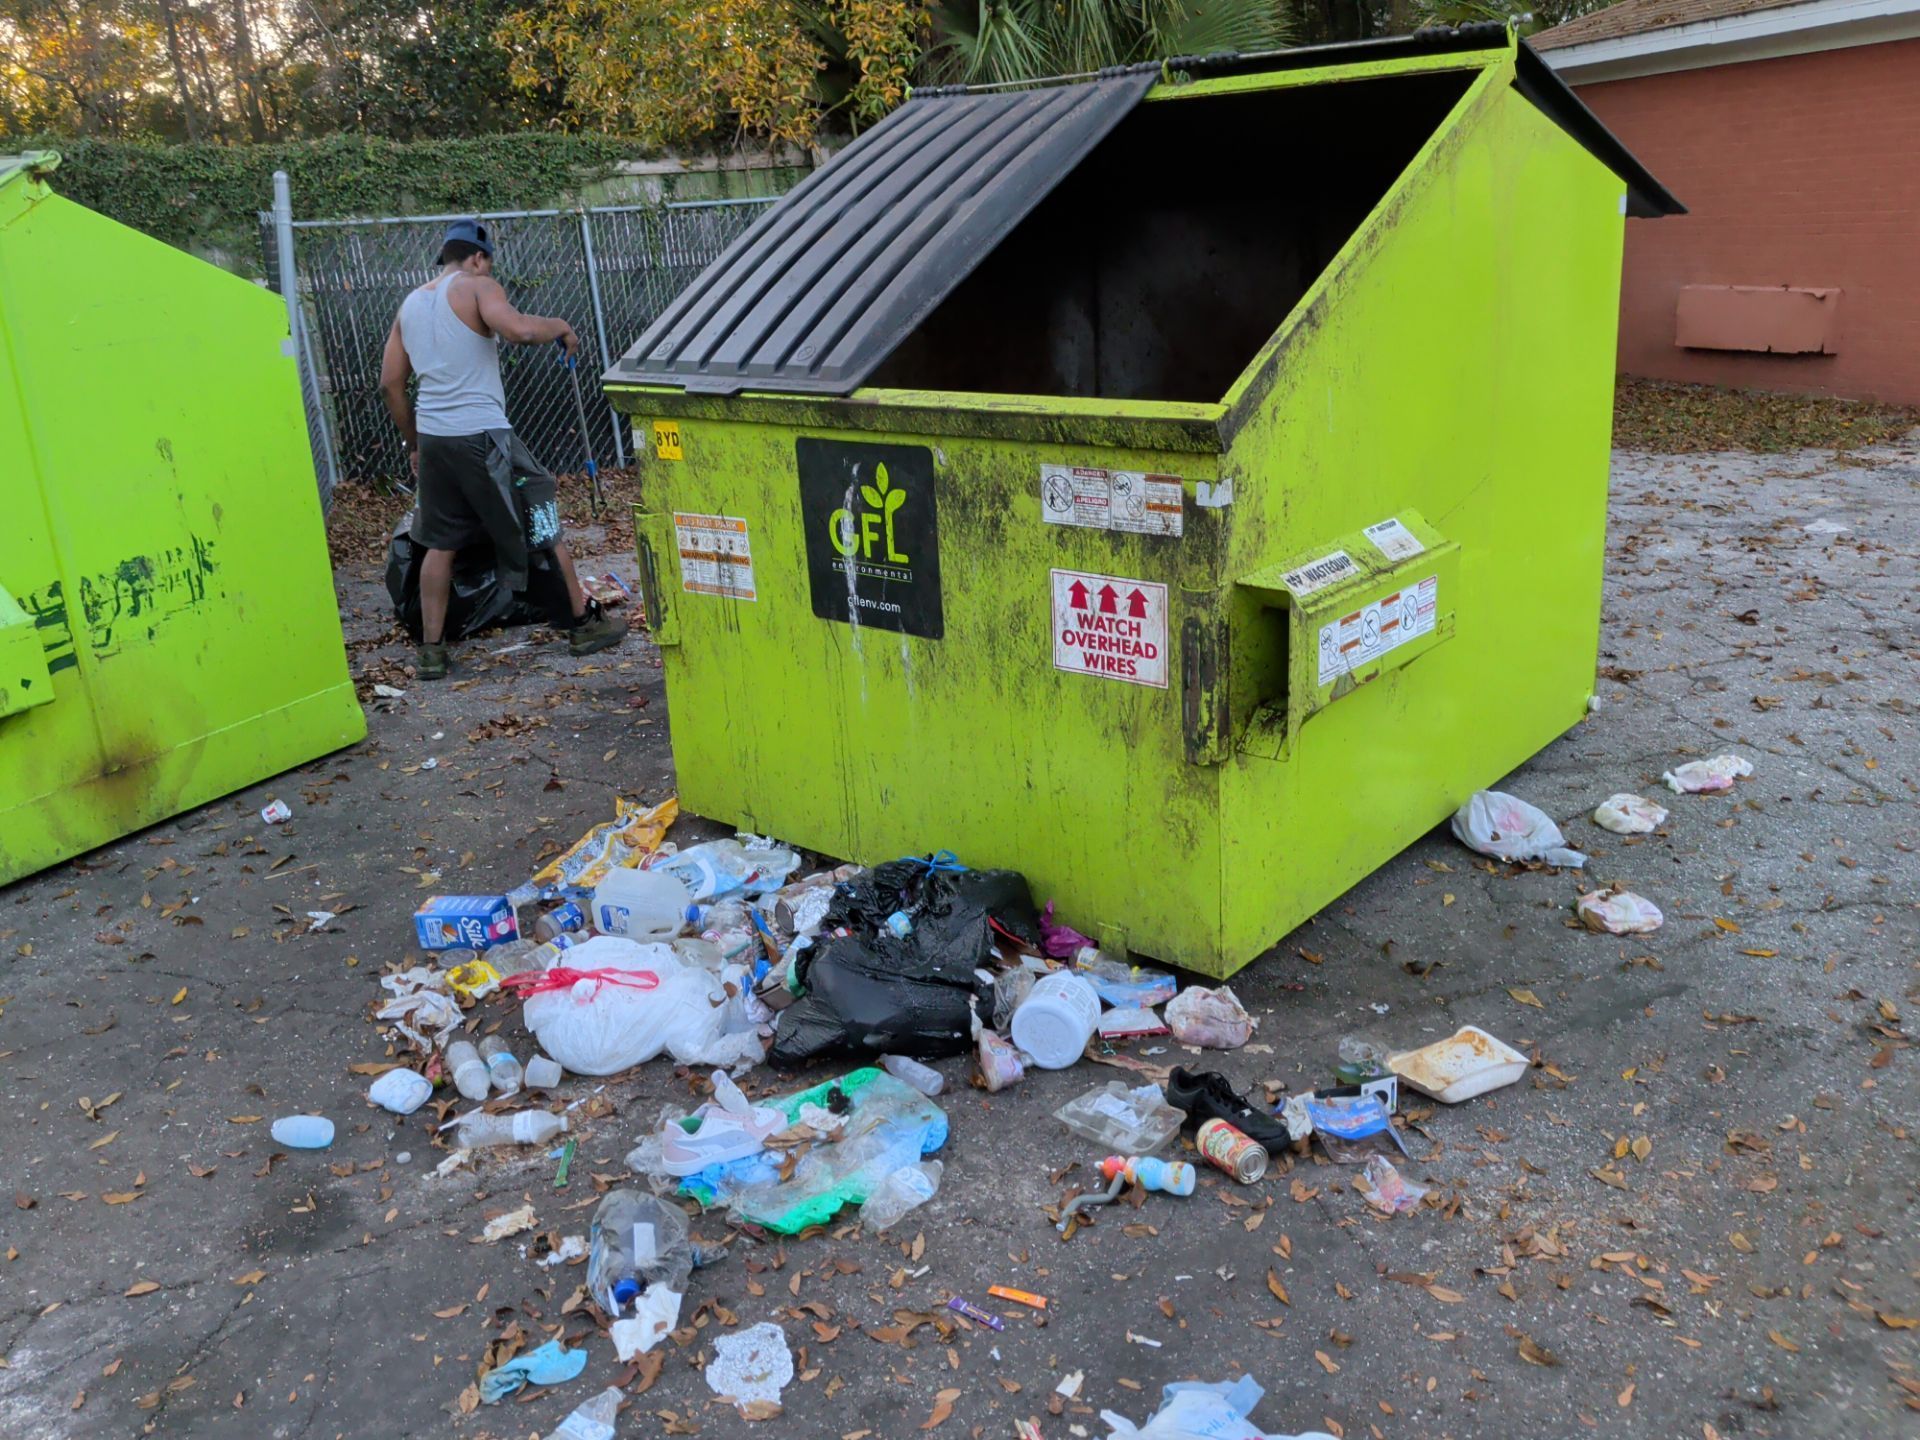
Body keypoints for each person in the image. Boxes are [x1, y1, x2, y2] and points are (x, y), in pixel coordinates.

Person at [379, 219, 625, 679]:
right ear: (477, 257)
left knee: (439, 541)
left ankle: (432, 652)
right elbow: (517, 331)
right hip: (483, 434)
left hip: (435, 440)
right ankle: (582, 624)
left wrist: (415, 443)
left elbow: (391, 384)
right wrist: (561, 326)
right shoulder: (477, 286)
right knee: (541, 514)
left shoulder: (410, 304)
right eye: (488, 261)